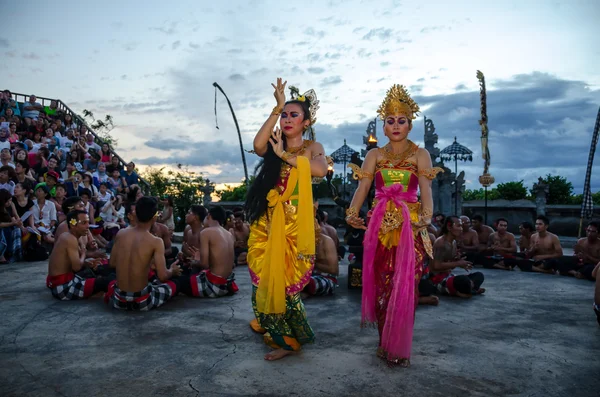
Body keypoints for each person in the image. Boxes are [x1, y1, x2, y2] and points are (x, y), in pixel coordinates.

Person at [345, 84, 442, 367]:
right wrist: (352, 213)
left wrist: (425, 218)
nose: (396, 125)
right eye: (390, 121)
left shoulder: (420, 154)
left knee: (406, 286)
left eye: (401, 120)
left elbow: (426, 192)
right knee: (381, 284)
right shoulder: (374, 156)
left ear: (410, 125)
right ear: (383, 127)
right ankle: (383, 342)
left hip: (410, 227)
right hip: (380, 228)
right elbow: (363, 189)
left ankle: (398, 343)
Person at [245, 79, 327, 361]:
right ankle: (271, 324)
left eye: (294, 114)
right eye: (284, 114)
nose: (287, 118)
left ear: (306, 122)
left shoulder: (312, 146)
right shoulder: (273, 142)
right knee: (261, 280)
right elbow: (257, 145)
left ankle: (289, 339)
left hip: (293, 224)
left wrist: (284, 157)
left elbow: (319, 170)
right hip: (267, 221)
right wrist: (275, 107)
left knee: (287, 283)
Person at [105, 197, 182, 311]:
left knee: (111, 281)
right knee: (175, 284)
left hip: (119, 300)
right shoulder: (156, 241)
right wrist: (172, 270)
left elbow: (112, 263)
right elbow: (163, 276)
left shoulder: (121, 233)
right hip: (142, 301)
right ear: (154, 216)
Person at [46, 211, 109, 300]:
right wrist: (83, 253)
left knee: (102, 269)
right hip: (62, 288)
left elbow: (72, 262)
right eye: (84, 223)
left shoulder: (69, 236)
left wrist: (88, 263)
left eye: (88, 222)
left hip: (60, 282)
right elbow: (77, 267)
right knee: (106, 282)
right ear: (73, 225)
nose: (88, 226)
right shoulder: (70, 238)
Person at [181, 206, 238, 298]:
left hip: (213, 285)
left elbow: (204, 264)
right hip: (226, 284)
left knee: (179, 281)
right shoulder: (229, 234)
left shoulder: (206, 232)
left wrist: (194, 261)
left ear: (209, 216)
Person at [430, 216, 485, 298]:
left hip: (449, 276)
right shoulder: (440, 243)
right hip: (437, 279)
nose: (461, 229)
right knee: (463, 281)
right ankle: (469, 288)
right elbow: (436, 266)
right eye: (458, 226)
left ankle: (468, 288)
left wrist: (458, 261)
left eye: (461, 226)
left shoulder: (454, 242)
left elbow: (449, 264)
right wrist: (457, 263)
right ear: (449, 227)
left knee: (479, 275)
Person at [303, 211, 339, 297]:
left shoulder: (326, 241)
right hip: (309, 276)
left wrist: (312, 262)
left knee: (308, 282)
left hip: (327, 279)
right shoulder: (303, 240)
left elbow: (334, 270)